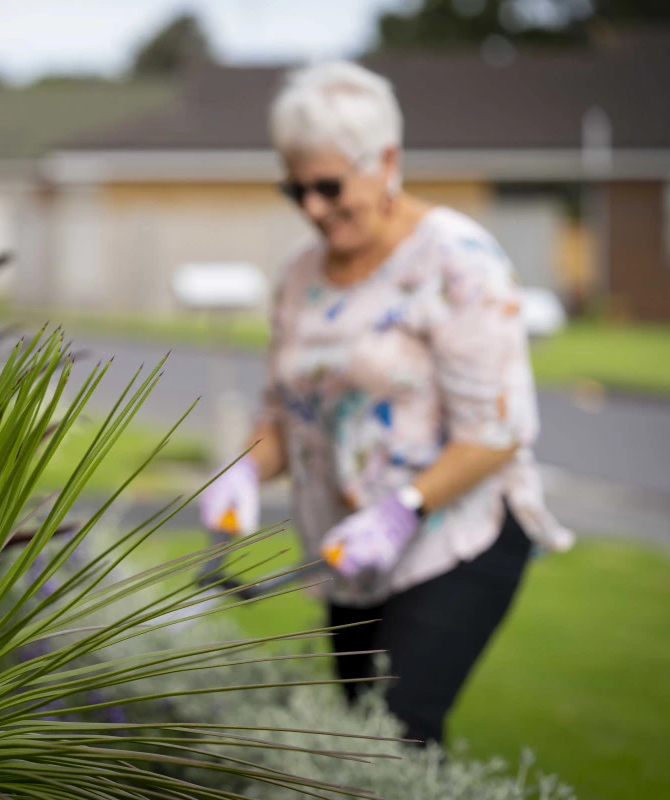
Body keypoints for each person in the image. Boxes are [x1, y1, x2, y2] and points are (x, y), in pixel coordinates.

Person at [199, 61, 574, 746]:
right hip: (347, 552)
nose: (312, 208)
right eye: (296, 188)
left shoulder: (460, 261)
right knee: (361, 734)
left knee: (398, 732)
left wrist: (401, 513)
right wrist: (245, 470)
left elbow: (500, 432)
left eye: (329, 186)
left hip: (454, 536)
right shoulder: (298, 275)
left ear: (388, 161)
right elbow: (282, 413)